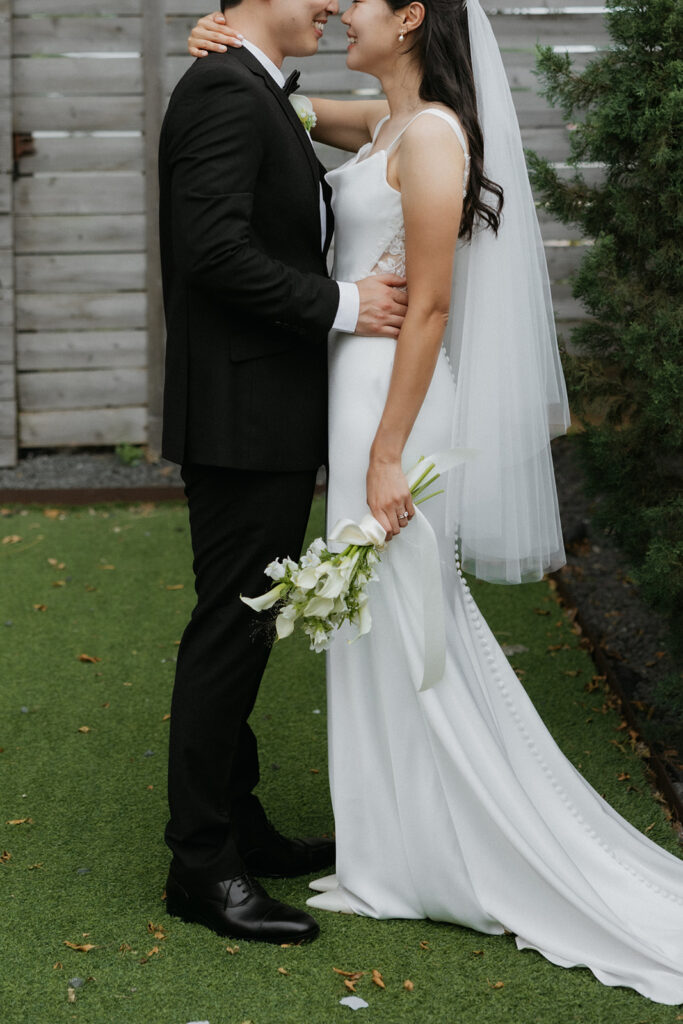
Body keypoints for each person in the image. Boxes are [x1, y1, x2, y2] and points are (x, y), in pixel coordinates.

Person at [188, 0, 683, 1004]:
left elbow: (433, 305)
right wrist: (227, 34)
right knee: (373, 629)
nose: (340, 11)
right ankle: (391, 850)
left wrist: (381, 455)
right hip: (356, 398)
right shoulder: (383, 125)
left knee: (417, 626)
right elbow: (280, 103)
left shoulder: (436, 136)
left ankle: (459, 849)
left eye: (360, 3)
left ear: (410, 20)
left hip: (394, 411)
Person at [159, 0, 410, 947]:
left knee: (247, 621)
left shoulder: (253, 86)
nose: (335, 8)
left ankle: (242, 824)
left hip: (261, 410)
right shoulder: (226, 89)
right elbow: (213, 251)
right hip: (240, 414)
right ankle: (200, 863)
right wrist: (343, 304)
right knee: (230, 628)